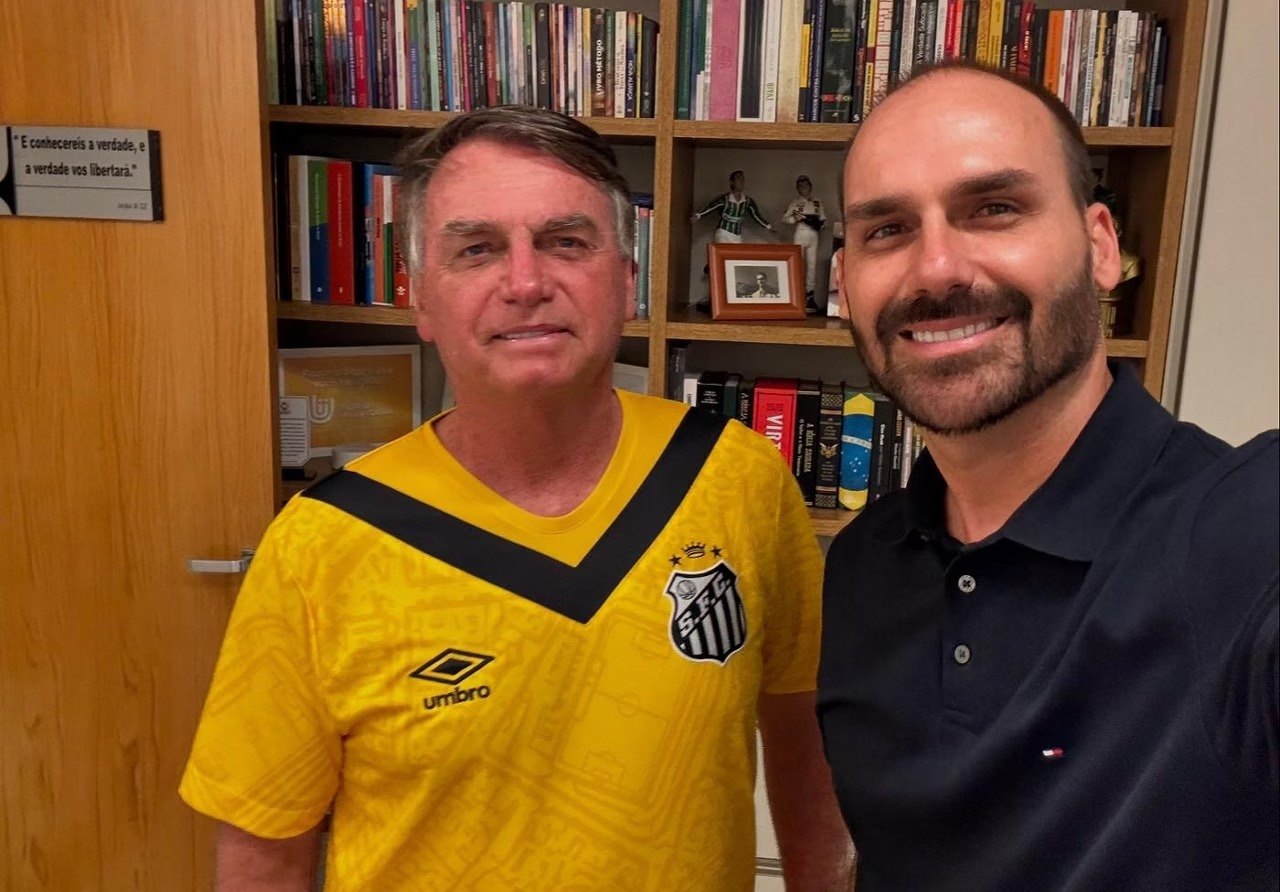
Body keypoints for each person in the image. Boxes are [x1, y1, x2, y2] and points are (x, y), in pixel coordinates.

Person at [181, 106, 852, 891]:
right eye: (477, 249)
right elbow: (264, 855)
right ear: (421, 300)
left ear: (626, 279)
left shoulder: (736, 475)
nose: (527, 283)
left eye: (566, 241)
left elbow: (806, 739)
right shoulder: (320, 545)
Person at [821, 60, 1279, 890]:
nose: (937, 268)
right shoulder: (860, 567)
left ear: (1101, 246)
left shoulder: (1243, 538)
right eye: (887, 229)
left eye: (994, 208)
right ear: (844, 284)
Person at [691, 169, 774, 242]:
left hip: (737, 235)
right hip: (723, 232)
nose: (741, 182)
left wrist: (769, 227)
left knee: (736, 254)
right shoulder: (724, 199)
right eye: (738, 179)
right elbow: (710, 207)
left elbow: (757, 216)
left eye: (743, 179)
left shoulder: (748, 201)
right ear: (732, 182)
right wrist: (698, 215)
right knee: (722, 252)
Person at [783, 174, 826, 312]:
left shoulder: (817, 202)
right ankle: (796, 295)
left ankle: (810, 297)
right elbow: (785, 218)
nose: (803, 188)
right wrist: (795, 218)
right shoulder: (795, 203)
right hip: (801, 233)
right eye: (800, 186)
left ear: (810, 187)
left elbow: (823, 218)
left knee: (812, 266)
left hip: (814, 234)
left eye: (806, 185)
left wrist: (819, 224)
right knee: (797, 264)